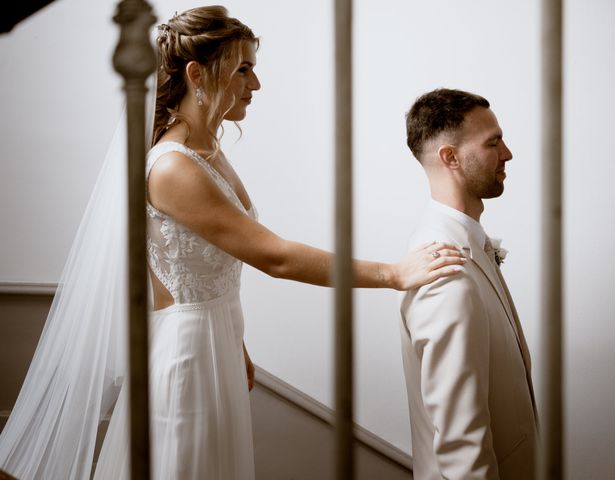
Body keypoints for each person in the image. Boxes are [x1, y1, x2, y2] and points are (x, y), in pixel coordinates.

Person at [0, 7, 466, 480]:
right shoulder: (172, 167)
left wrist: (235, 342)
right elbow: (274, 257)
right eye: (243, 69)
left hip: (216, 344)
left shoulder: (209, 151)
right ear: (197, 73)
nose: (255, 84)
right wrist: (393, 273)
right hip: (186, 361)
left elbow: (197, 268)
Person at [398, 88, 539, 480]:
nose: (507, 154)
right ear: (451, 157)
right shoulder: (446, 273)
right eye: (493, 143)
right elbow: (463, 446)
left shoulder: (466, 243)